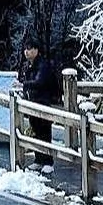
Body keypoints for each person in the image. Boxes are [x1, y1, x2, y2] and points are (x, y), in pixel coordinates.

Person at [17, 39, 60, 174]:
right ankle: (39, 159)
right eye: (25, 49)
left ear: (36, 50)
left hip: (44, 101)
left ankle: (48, 161)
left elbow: (40, 82)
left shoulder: (43, 64)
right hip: (33, 101)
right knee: (35, 129)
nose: (26, 52)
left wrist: (24, 84)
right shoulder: (29, 65)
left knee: (44, 131)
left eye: (29, 49)